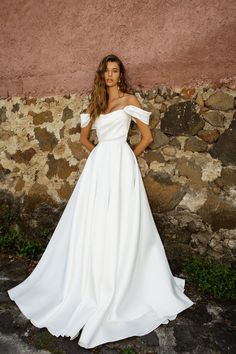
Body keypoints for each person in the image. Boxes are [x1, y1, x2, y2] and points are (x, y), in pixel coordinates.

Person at [7, 54, 194, 349]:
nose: (110, 75)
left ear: (120, 75)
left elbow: (146, 137)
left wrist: (125, 158)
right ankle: (90, 279)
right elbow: (84, 139)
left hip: (121, 162)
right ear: (102, 75)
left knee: (123, 220)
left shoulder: (130, 100)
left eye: (115, 71)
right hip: (99, 166)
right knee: (93, 221)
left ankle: (125, 281)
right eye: (106, 71)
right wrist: (100, 155)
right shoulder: (96, 104)